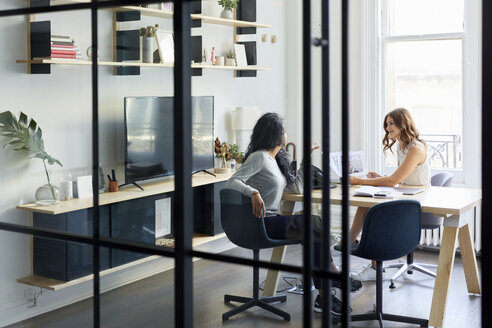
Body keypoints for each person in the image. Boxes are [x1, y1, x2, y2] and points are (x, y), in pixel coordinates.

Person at [225, 112, 362, 315]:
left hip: (270, 220)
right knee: (311, 224)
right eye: (283, 130)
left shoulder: (275, 160)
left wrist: (305, 160)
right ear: (274, 134)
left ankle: (325, 291)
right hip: (257, 223)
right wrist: (252, 192)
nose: (285, 133)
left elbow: (295, 189)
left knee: (313, 225)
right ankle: (330, 282)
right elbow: (232, 181)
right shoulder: (259, 157)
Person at [345, 107, 431, 281]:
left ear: (403, 123)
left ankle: (372, 266)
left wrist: (358, 181)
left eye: (391, 123)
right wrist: (381, 178)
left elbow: (393, 182)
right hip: (407, 195)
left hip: (418, 201)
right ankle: (347, 245)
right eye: (386, 124)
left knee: (376, 211)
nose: (387, 128)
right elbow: (399, 179)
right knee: (364, 203)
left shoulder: (415, 149)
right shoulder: (402, 146)